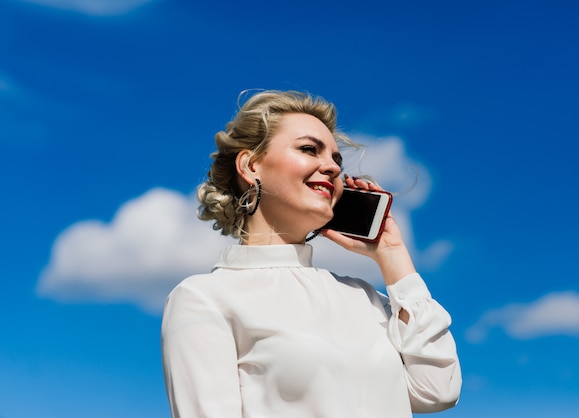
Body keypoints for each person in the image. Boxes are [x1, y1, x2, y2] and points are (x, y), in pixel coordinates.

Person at [161, 90, 462, 417]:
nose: (331, 168)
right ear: (250, 165)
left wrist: (393, 256)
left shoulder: (365, 297)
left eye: (336, 159)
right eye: (308, 149)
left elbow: (437, 391)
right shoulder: (204, 298)